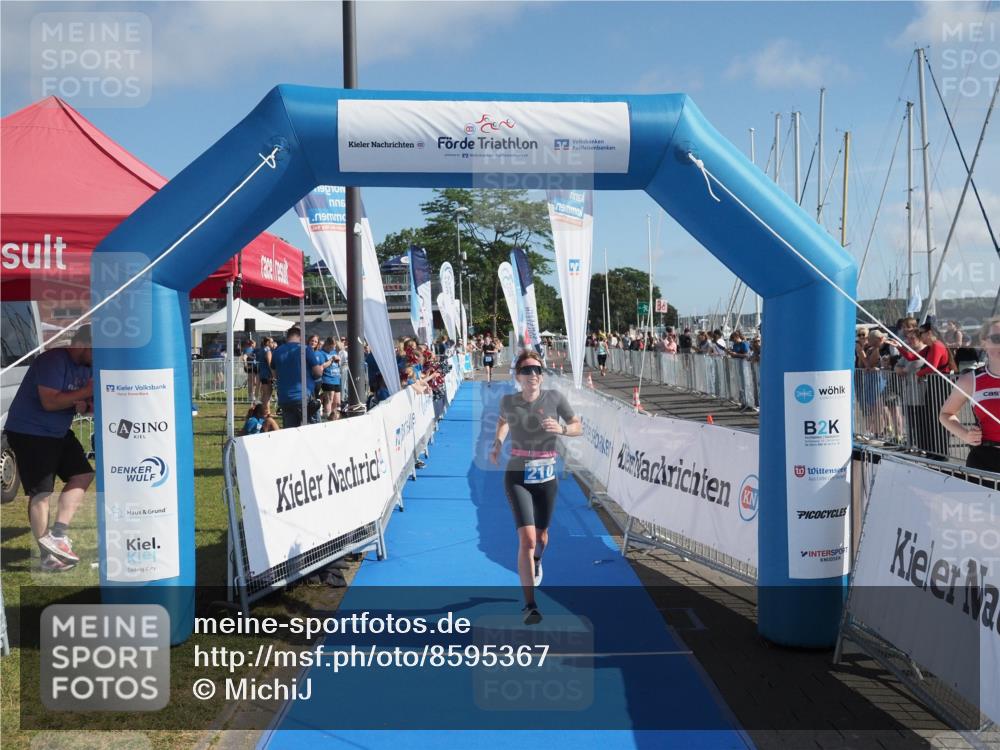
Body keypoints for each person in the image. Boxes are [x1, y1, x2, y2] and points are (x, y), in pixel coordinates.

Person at [490, 350, 582, 625]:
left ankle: (538, 560)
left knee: (541, 539)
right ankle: (530, 605)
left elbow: (577, 425)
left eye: (537, 370)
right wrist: (497, 443)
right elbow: (503, 421)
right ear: (518, 376)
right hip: (517, 474)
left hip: (546, 476)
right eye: (527, 370)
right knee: (527, 540)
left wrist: (563, 430)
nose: (533, 375)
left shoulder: (554, 398)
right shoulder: (508, 401)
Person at [3, 327, 94, 571]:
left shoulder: (86, 367)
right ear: (83, 344)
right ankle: (48, 557)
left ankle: (57, 534)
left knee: (83, 474)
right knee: (41, 492)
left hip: (58, 432)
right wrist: (85, 392)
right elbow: (50, 401)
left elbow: (83, 403)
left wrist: (86, 404)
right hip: (30, 432)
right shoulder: (53, 360)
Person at [940, 316, 1000, 473]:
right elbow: (946, 414)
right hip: (986, 459)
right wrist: (965, 435)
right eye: (997, 338)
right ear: (984, 343)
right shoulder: (970, 380)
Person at [270, 327, 325, 429]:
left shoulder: (277, 351)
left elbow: (274, 374)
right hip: (303, 397)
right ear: (300, 336)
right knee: (313, 430)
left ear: (288, 337)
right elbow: (318, 372)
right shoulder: (305, 349)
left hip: (285, 397)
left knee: (290, 432)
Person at [318, 337, 342, 420]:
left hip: (336, 379)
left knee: (337, 401)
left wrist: (338, 361)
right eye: (332, 347)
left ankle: (334, 417)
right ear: (327, 345)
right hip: (327, 379)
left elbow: (338, 365)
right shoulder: (321, 353)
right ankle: (327, 417)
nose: (333, 349)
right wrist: (331, 360)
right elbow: (322, 366)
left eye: (334, 347)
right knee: (329, 399)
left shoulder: (334, 352)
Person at [256, 337, 274, 407]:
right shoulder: (268, 351)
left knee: (264, 394)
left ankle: (263, 411)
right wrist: (273, 374)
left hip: (262, 374)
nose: (273, 343)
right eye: (271, 342)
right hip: (267, 375)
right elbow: (270, 364)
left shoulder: (261, 350)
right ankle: (266, 413)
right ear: (267, 343)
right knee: (267, 394)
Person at [242, 338, 258, 402]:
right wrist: (245, 365)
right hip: (250, 367)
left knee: (253, 382)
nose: (255, 345)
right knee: (252, 382)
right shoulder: (248, 349)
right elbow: (244, 357)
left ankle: (252, 395)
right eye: (254, 344)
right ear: (251, 344)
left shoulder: (251, 349)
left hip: (253, 367)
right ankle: (250, 395)